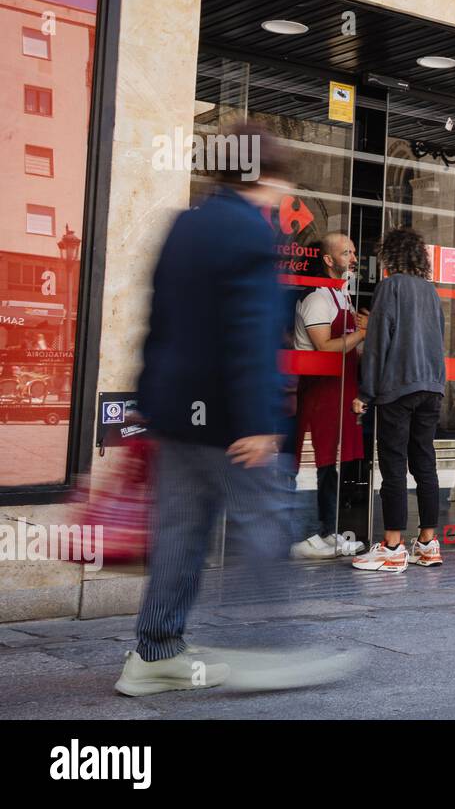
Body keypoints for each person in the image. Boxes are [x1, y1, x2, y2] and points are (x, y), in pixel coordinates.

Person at [118, 123, 356, 696]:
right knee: (266, 526)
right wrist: (256, 422)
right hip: (228, 421)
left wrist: (150, 405)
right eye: (281, 183)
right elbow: (249, 336)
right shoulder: (249, 233)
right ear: (266, 176)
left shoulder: (185, 224)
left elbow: (157, 324)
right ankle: (272, 649)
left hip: (177, 415)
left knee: (179, 534)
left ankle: (155, 651)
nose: (281, 196)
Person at [351, 226, 446, 573]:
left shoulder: (390, 287)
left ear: (391, 257)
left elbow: (377, 344)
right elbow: (439, 341)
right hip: (431, 389)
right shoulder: (431, 293)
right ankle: (428, 544)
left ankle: (392, 546)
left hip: (399, 388)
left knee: (393, 467)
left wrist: (365, 392)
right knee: (425, 464)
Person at [289, 231, 367, 560]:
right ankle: (309, 535)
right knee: (317, 463)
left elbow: (351, 348)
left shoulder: (341, 297)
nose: (353, 258)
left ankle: (329, 532)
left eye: (353, 252)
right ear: (327, 260)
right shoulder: (318, 299)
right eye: (346, 253)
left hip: (340, 393)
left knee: (332, 464)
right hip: (319, 391)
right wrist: (363, 331)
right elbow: (325, 347)